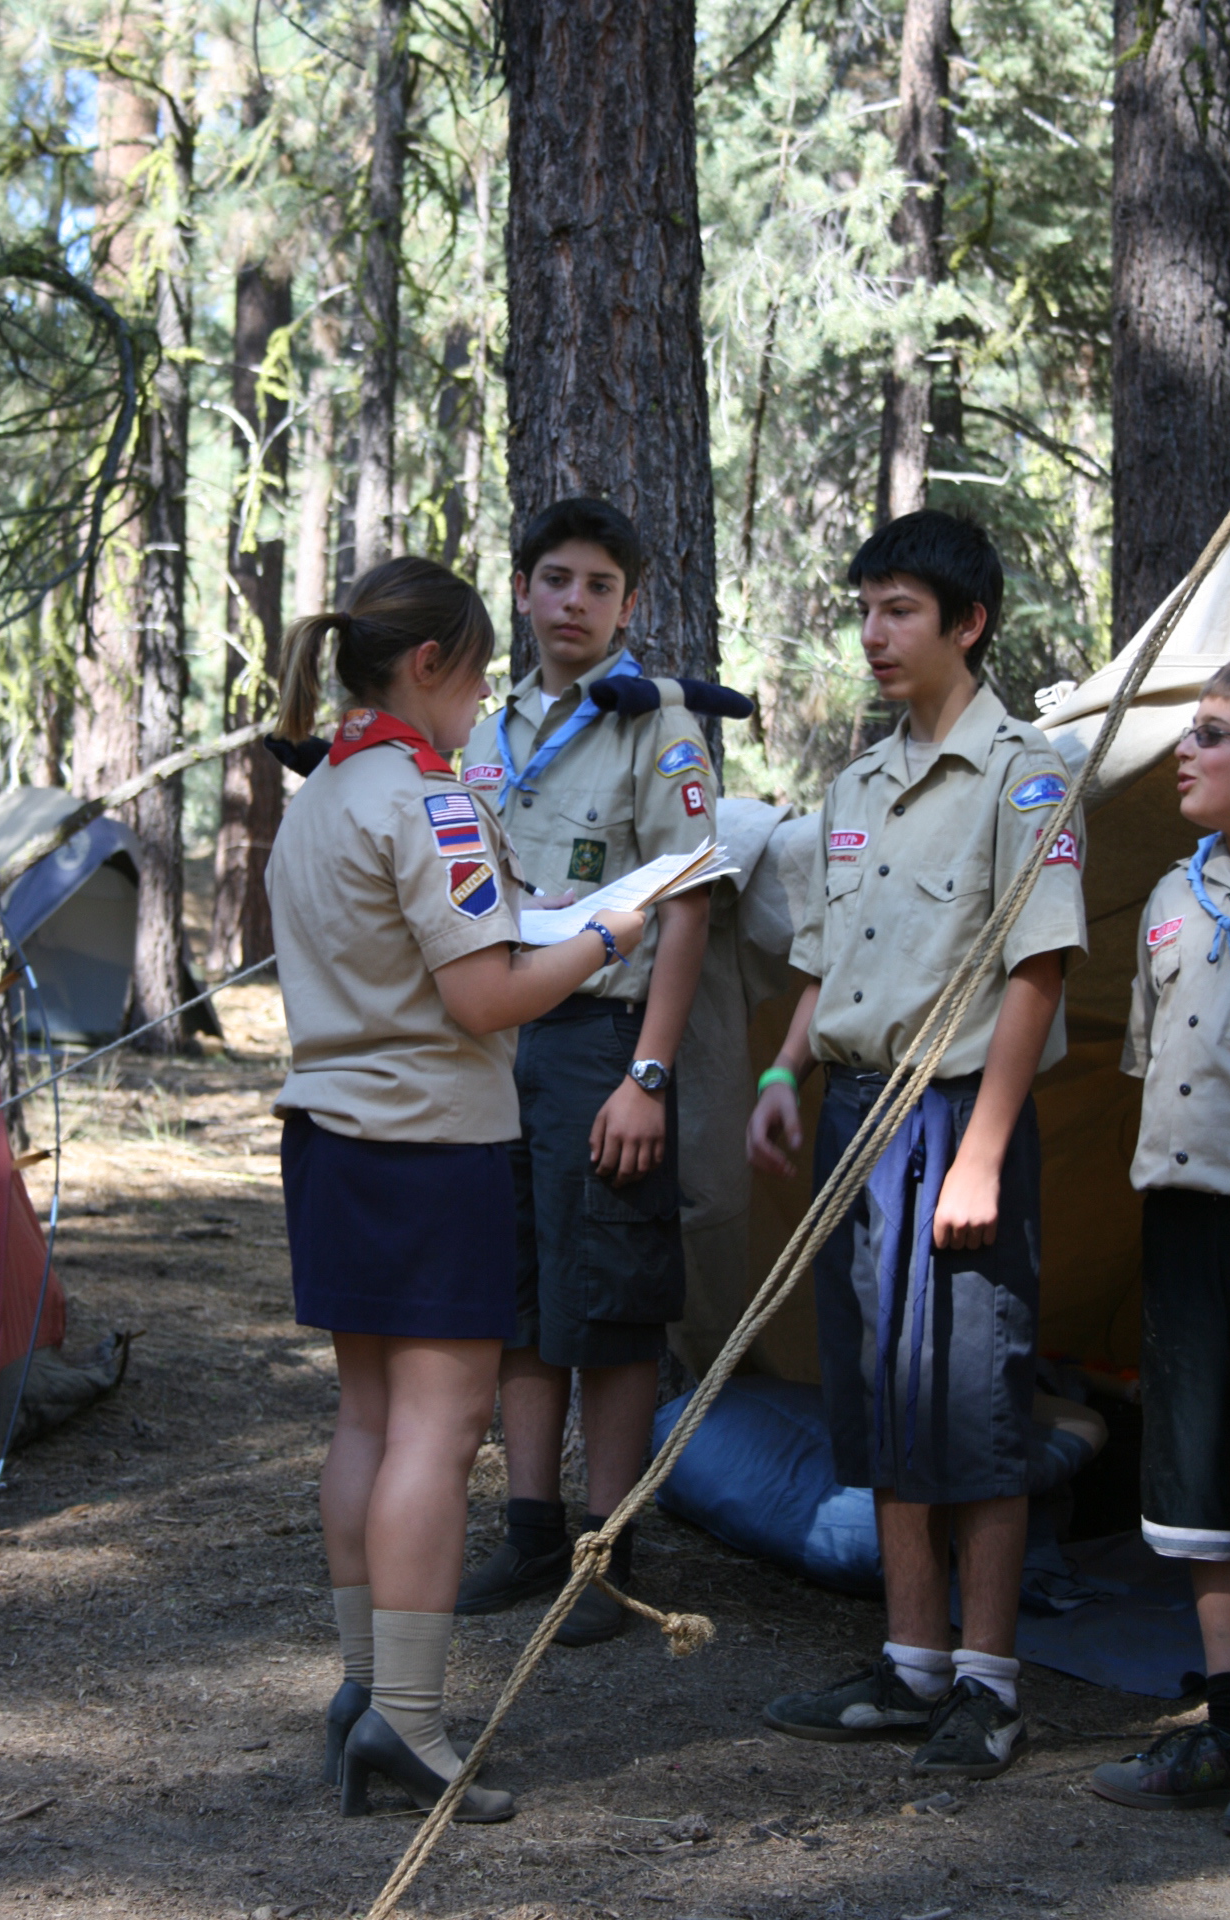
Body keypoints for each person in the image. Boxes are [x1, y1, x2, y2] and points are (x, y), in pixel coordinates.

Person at [264, 556, 645, 1822]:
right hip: (430, 1146)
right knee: (438, 1430)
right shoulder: (428, 801)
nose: (485, 701)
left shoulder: (322, 792)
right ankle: (412, 1723)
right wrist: (606, 937)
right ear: (427, 665)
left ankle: (363, 1685)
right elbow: (484, 996)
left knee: (368, 1422)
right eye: (478, 677)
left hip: (331, 1136)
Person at [747, 510, 1087, 1779]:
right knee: (881, 1391)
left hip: (955, 1117)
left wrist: (984, 1151)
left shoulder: (1023, 775)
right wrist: (783, 1072)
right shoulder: (855, 786)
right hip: (856, 1114)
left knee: (972, 1395)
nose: (874, 635)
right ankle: (910, 1664)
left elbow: (1037, 971)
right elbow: (823, 961)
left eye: (899, 611)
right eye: (865, 611)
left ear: (967, 623)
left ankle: (988, 1683)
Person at [455, 497, 714, 1646]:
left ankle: (606, 1552)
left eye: (599, 586)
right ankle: (530, 1528)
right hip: (492, 1040)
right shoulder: (484, 730)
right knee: (514, 1290)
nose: (573, 602)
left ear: (630, 603)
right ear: (522, 590)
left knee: (609, 1293)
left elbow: (689, 905)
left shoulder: (656, 725)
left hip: (600, 1044)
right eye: (554, 579)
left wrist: (646, 1073)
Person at [1091, 657, 1230, 1831]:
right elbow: (1148, 1064)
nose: (1183, 751)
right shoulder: (1167, 897)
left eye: (1211, 732)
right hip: (1185, 1221)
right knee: (1200, 1481)